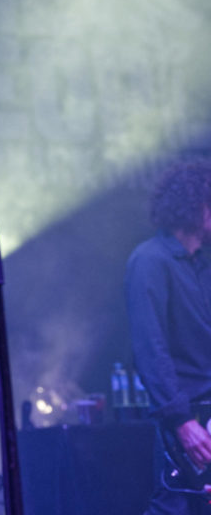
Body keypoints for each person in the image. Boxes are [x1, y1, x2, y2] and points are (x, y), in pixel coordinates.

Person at [126, 158, 211, 515]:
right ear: (196, 206)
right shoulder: (150, 260)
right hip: (186, 414)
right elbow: (150, 348)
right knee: (173, 506)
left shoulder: (202, 263)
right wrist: (181, 420)